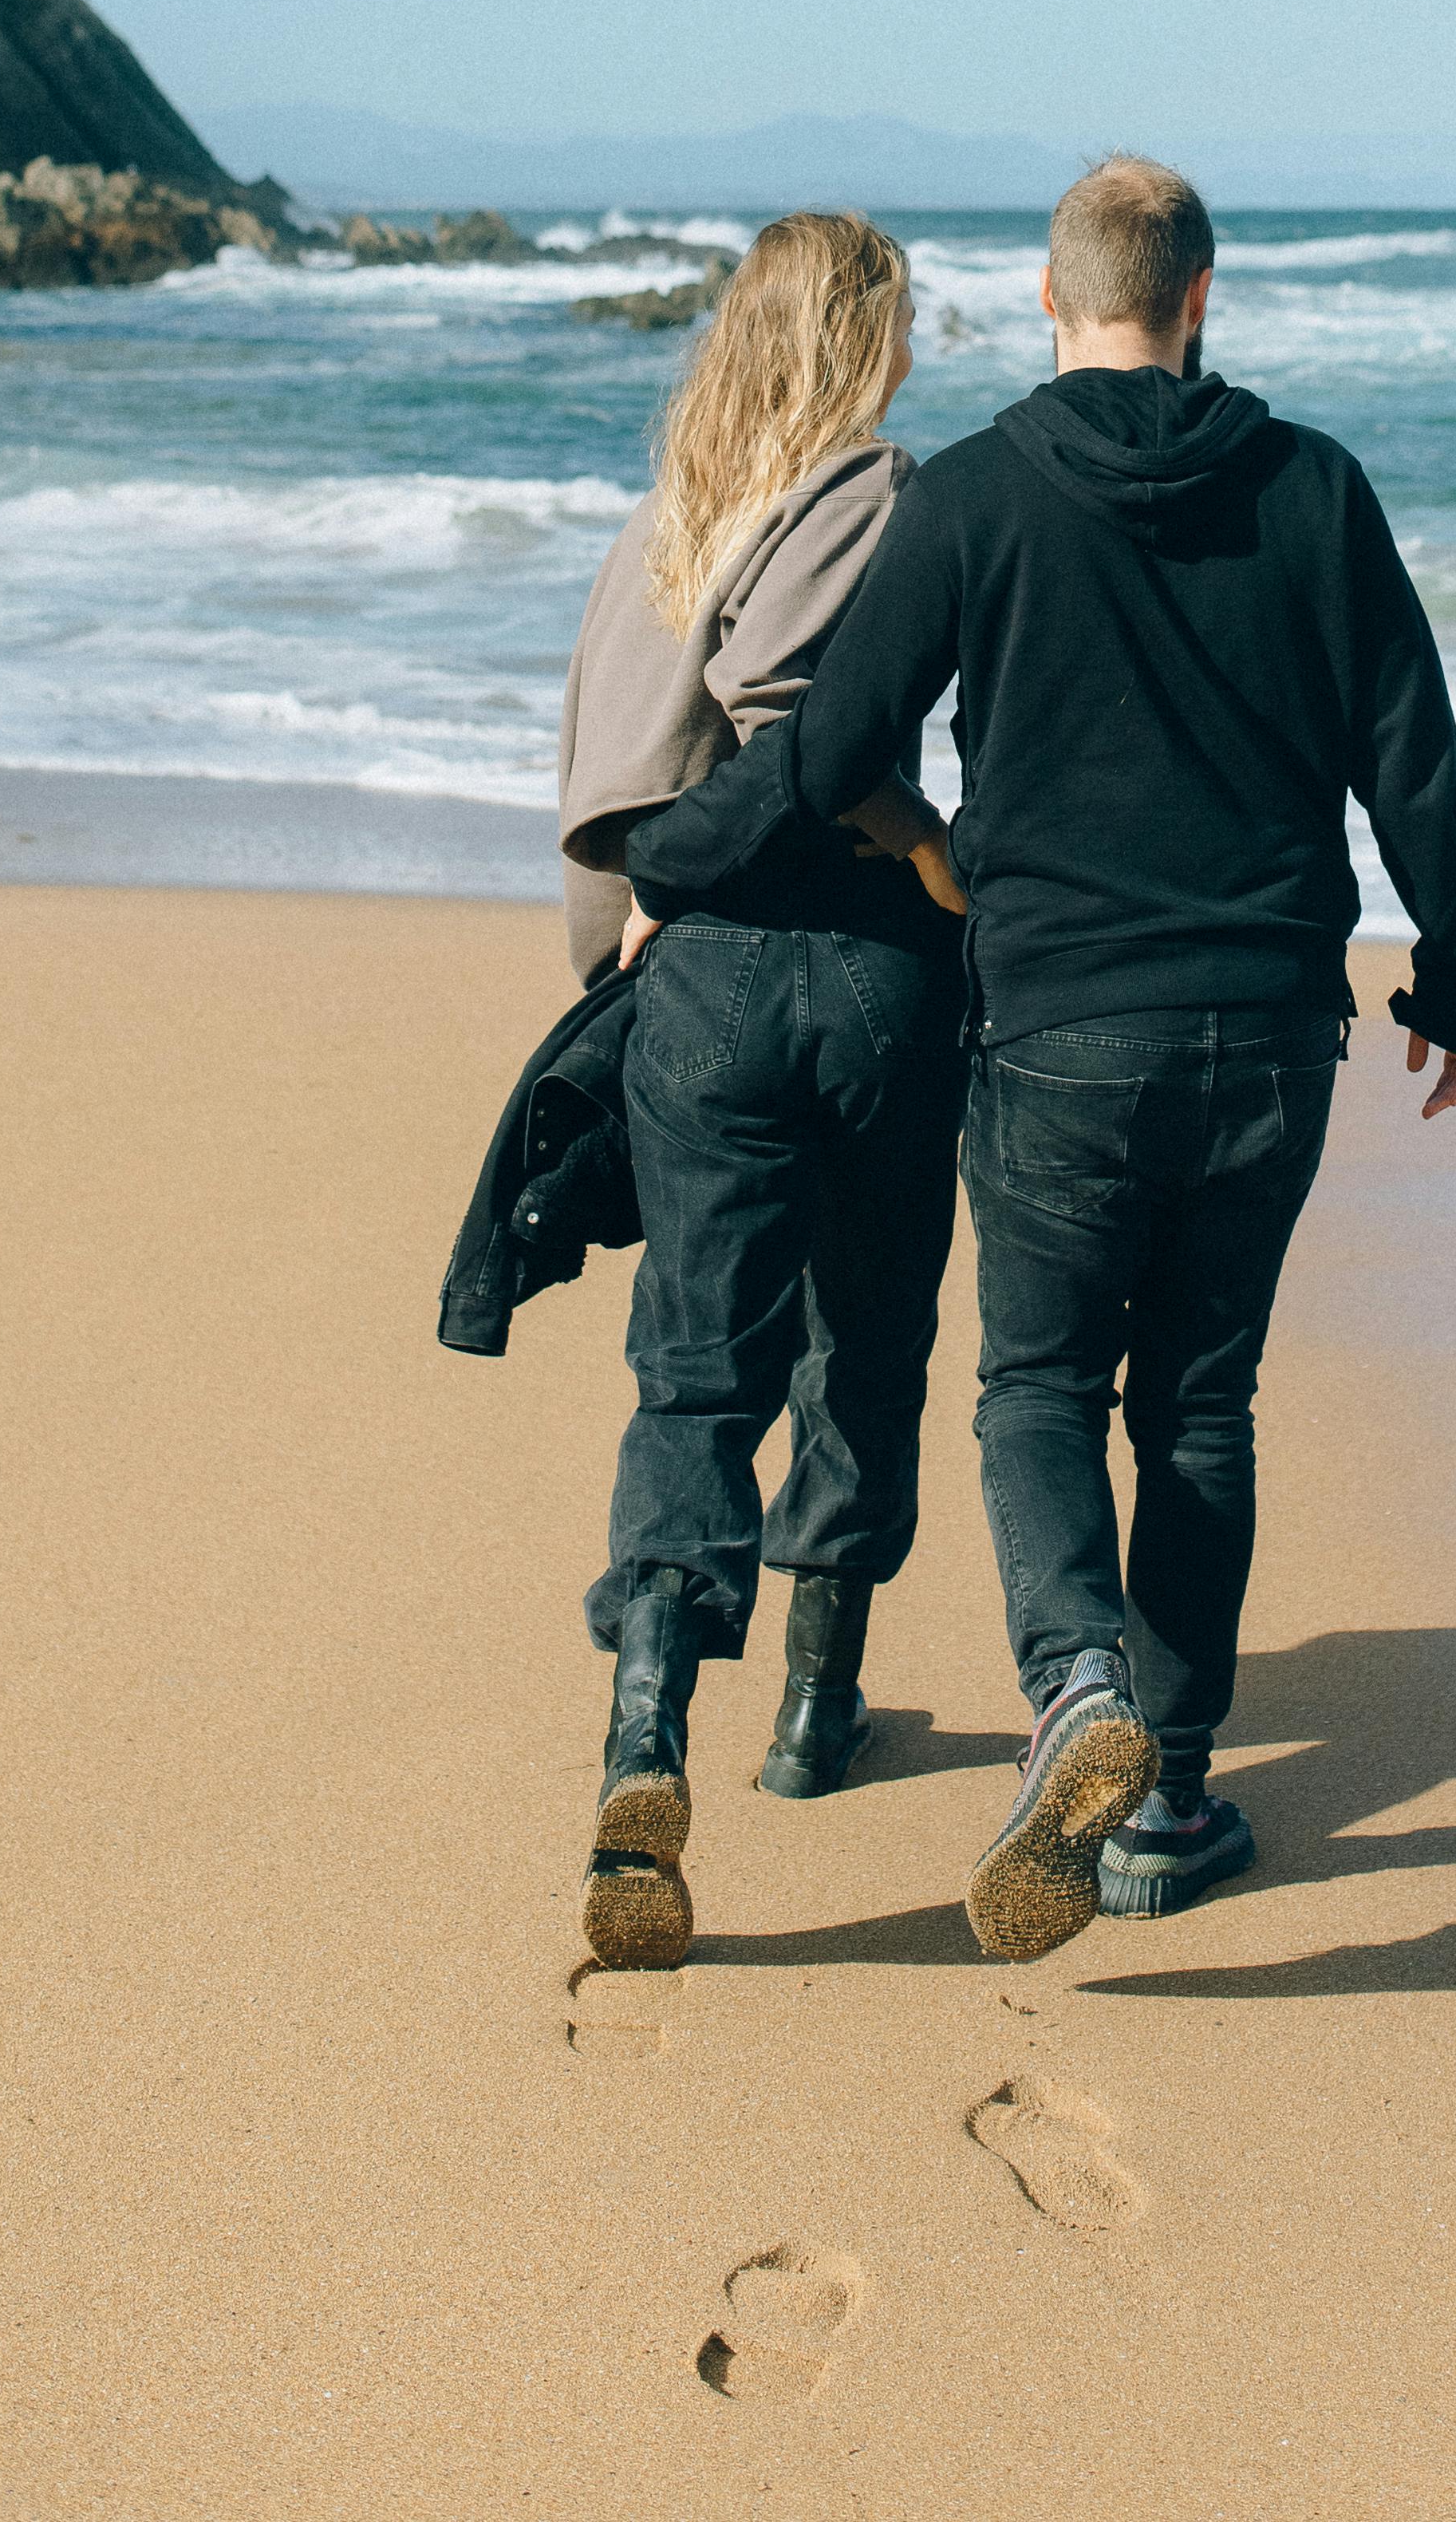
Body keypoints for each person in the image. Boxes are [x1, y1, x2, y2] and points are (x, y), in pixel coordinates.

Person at [624, 152, 1456, 1960]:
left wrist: (659, 869)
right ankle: (1167, 1796)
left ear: (1047, 297)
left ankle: (1074, 1682)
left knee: (1036, 1388)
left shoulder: (972, 497)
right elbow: (1412, 754)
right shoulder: (1314, 489)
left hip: (1056, 1034)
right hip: (1267, 1032)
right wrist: (1455, 978)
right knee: (1197, 1401)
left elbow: (828, 754)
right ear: (1200, 300)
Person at [554, 211, 964, 1971]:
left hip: (700, 976)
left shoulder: (667, 521)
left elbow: (608, 776)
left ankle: (649, 1726)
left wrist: (613, 968)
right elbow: (810, 725)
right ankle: (814, 1710)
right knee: (863, 1336)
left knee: (695, 1368)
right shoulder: (874, 495)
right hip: (864, 967)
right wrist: (933, 849)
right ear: (869, 336)